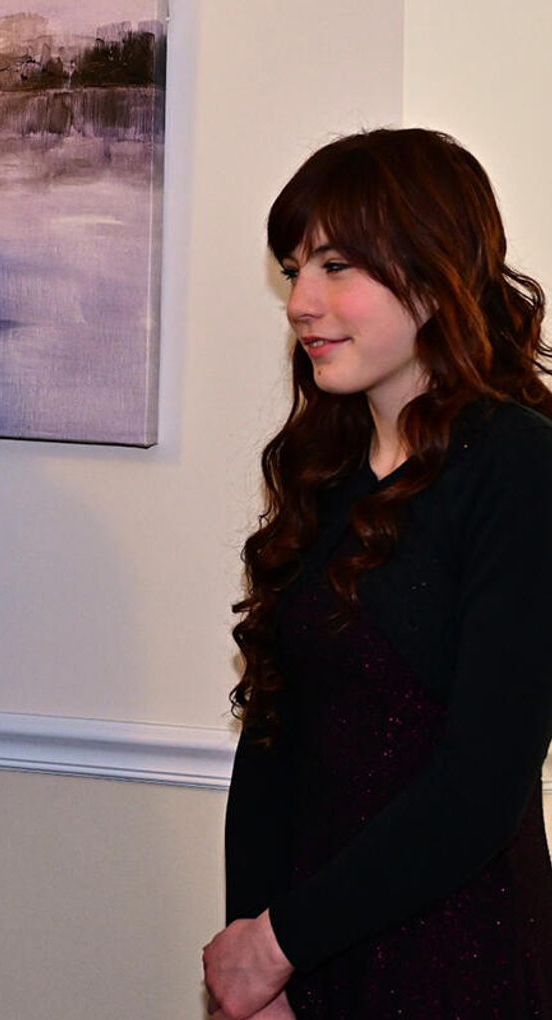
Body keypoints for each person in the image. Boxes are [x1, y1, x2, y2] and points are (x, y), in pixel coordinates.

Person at [204, 128, 552, 1019]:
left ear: (434, 277)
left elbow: (481, 785)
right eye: (294, 271)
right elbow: (272, 736)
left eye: (336, 268)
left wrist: (276, 945)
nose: (300, 303)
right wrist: (254, 955)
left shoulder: (518, 466)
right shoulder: (322, 468)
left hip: (455, 960)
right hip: (306, 957)